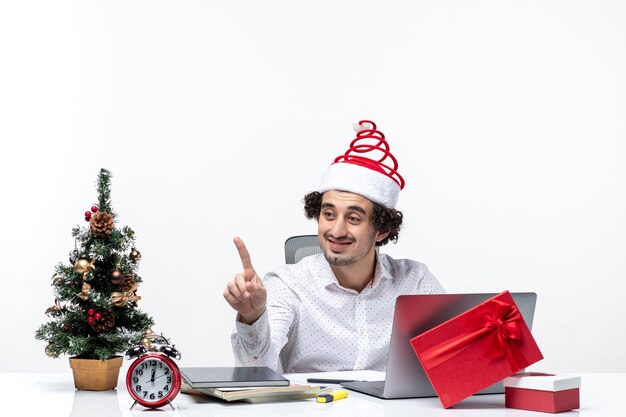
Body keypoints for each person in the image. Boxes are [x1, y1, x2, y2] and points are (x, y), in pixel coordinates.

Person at [223, 120, 445, 373]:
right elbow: (256, 372)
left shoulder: (415, 282)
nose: (336, 231)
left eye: (353, 218)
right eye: (329, 214)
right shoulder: (287, 285)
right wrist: (252, 319)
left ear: (382, 230)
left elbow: (457, 356)